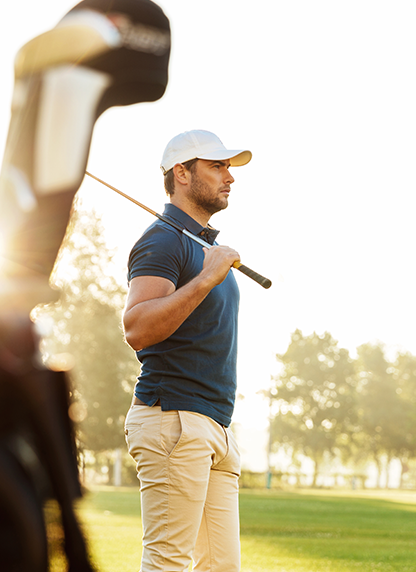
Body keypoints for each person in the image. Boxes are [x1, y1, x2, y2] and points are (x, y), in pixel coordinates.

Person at [121, 129, 253, 572]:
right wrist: (205, 280)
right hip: (174, 419)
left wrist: (210, 270)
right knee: (168, 565)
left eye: (229, 168)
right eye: (217, 166)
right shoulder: (163, 240)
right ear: (181, 173)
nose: (228, 177)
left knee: (220, 568)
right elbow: (137, 327)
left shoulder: (206, 248)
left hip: (215, 424)